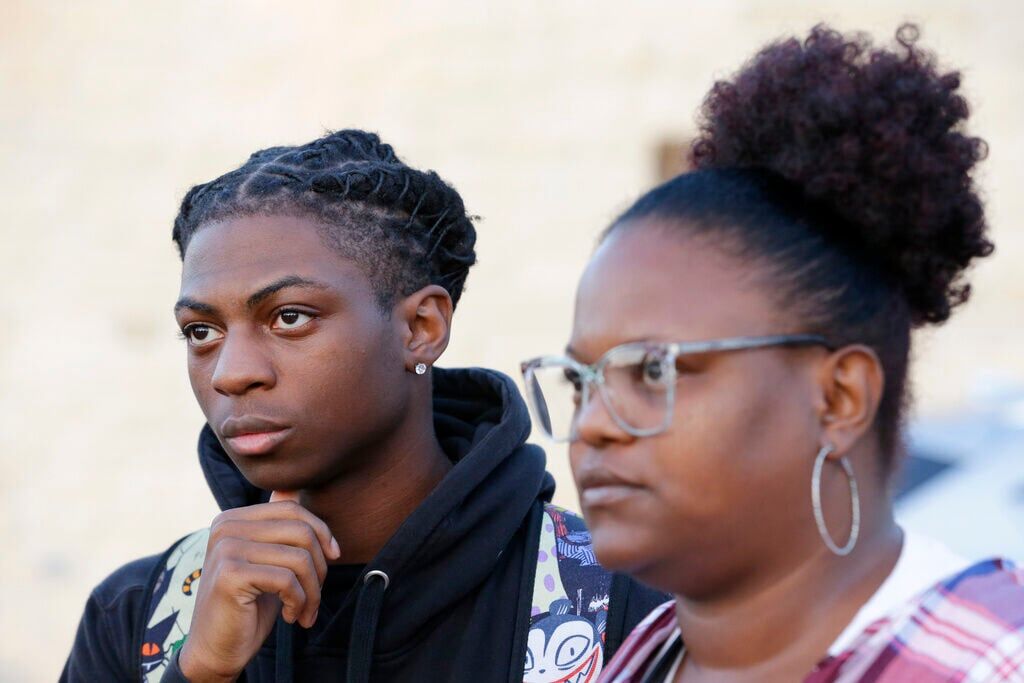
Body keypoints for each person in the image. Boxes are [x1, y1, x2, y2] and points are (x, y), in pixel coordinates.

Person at [62, 129, 665, 683]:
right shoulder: (140, 617)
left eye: (289, 317)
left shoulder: (620, 611)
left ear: (420, 328)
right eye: (201, 332)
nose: (231, 373)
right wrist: (200, 673)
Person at [520, 24, 1023, 682]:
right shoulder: (639, 654)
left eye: (652, 369)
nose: (591, 425)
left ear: (839, 398)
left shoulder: (981, 663)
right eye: (583, 381)